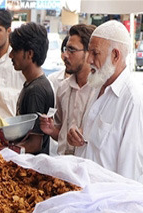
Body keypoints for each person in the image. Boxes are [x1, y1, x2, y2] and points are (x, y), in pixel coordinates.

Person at [67, 20, 143, 183]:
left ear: (115, 56)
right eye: (89, 52)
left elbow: (130, 173)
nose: (88, 60)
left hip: (108, 202)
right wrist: (74, 135)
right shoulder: (96, 86)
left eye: (95, 53)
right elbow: (90, 143)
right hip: (84, 195)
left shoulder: (134, 101)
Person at [40, 24, 97, 156]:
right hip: (62, 168)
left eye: (71, 50)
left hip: (87, 170)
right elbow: (61, 134)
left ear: (88, 53)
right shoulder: (63, 88)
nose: (65, 55)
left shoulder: (100, 92)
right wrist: (51, 129)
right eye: (66, 49)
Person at [8, 22, 54, 155]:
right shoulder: (32, 84)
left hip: (31, 168)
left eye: (15, 50)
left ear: (29, 54)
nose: (11, 55)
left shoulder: (36, 90)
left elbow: (35, 144)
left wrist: (6, 152)